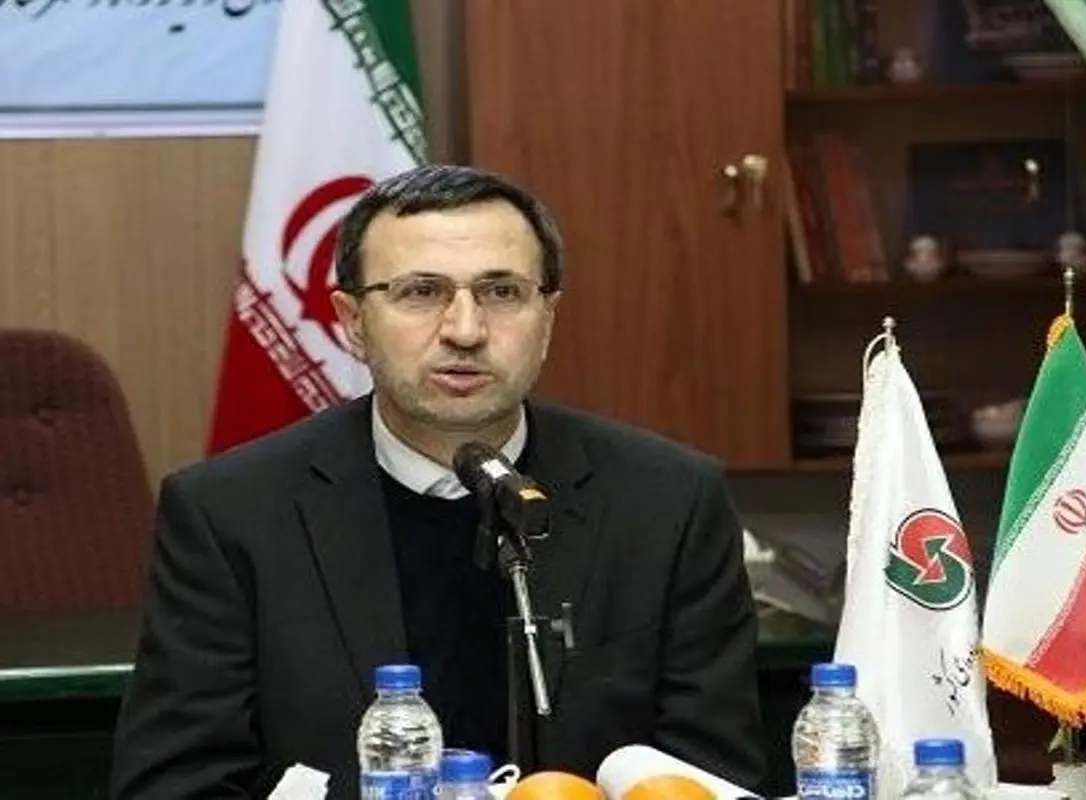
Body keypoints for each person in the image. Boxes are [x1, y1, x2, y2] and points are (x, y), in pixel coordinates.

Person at [110, 164, 766, 799]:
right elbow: (176, 785)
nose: (465, 330)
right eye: (421, 292)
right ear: (352, 321)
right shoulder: (230, 514)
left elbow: (717, 778)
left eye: (502, 292)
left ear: (548, 317)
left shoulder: (669, 503)